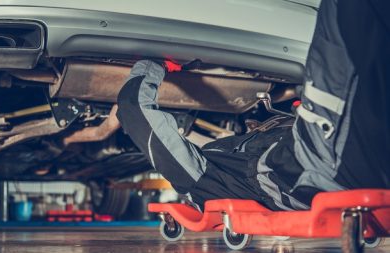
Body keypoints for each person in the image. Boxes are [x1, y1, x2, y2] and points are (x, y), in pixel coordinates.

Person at [116, 0, 389, 211]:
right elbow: (133, 109)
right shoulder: (200, 182)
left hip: (338, 164)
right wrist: (155, 63)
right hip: (324, 163)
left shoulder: (227, 161)